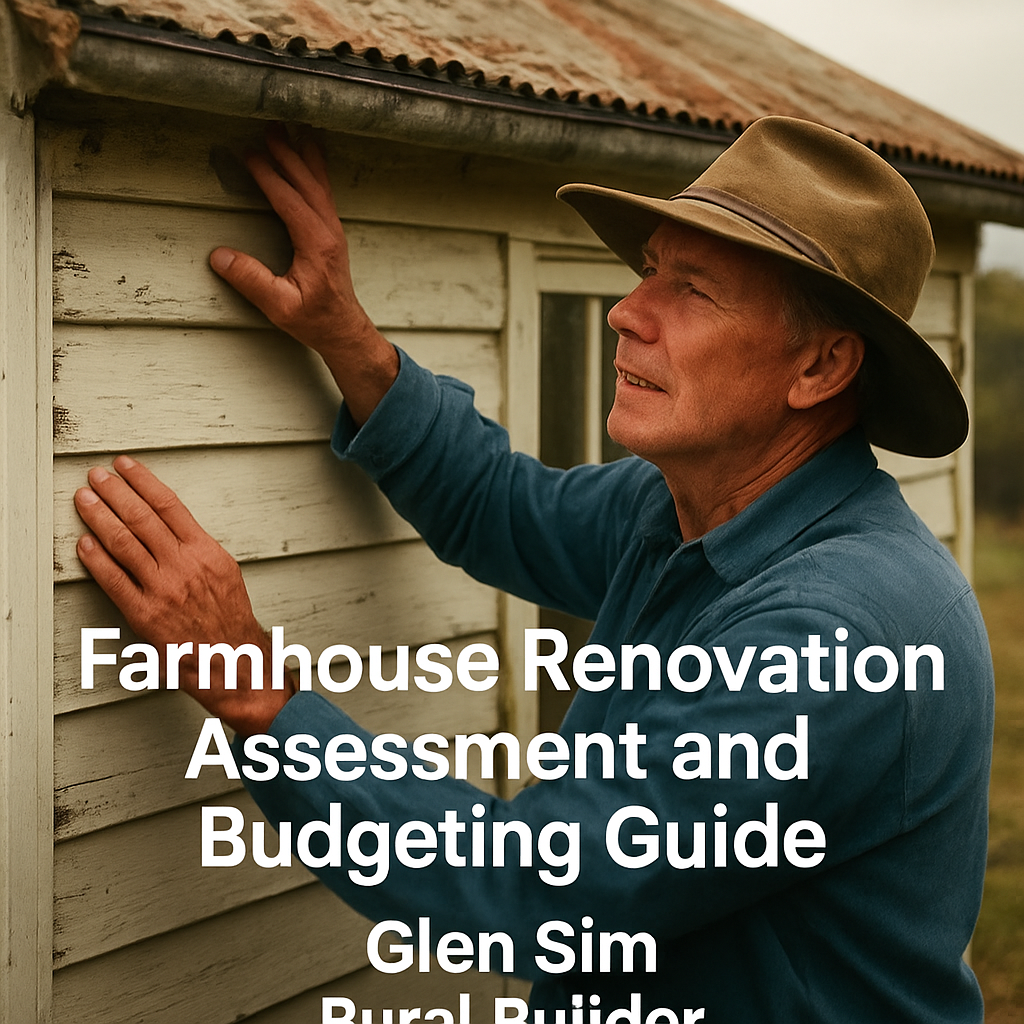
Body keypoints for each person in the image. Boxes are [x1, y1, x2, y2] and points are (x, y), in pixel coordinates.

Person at [74, 117, 993, 1022]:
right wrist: (345, 336)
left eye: (695, 290)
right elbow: (501, 509)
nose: (627, 314)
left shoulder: (835, 630)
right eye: (648, 273)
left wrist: (253, 691)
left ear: (823, 365)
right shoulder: (678, 510)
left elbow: (539, 892)